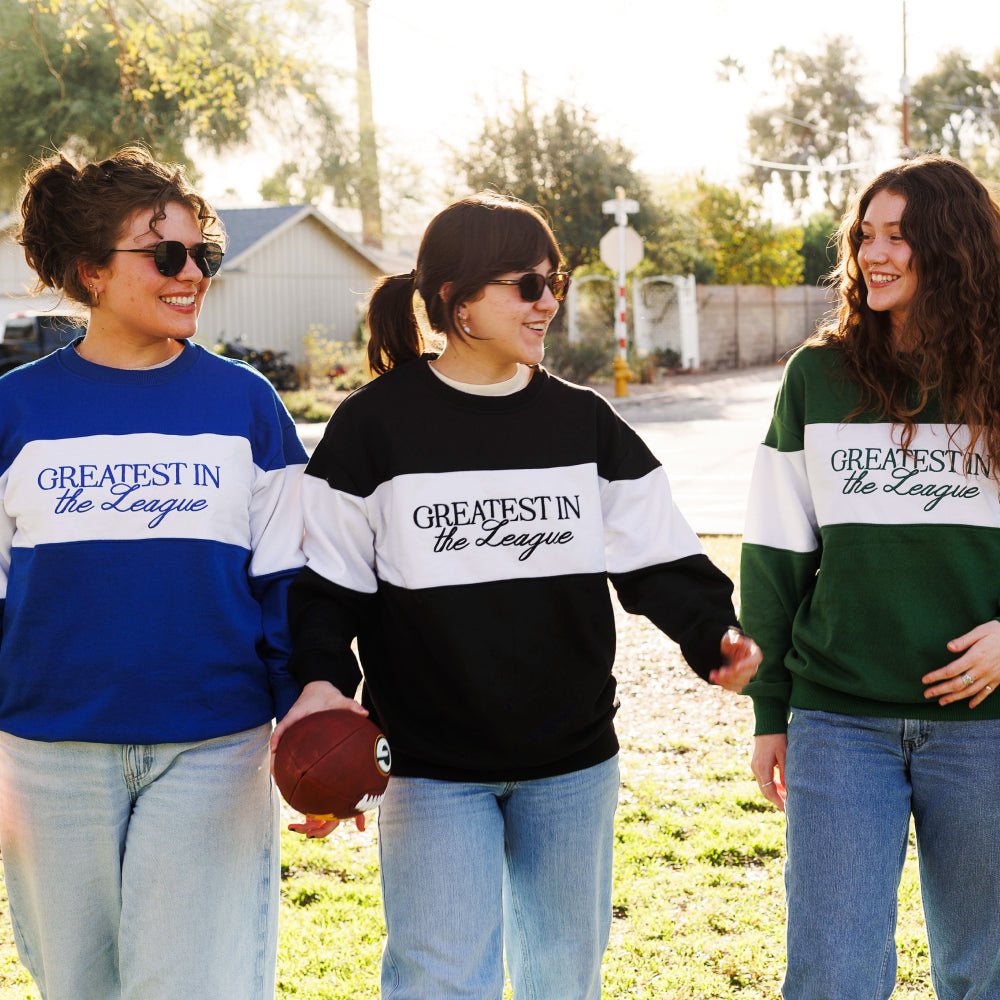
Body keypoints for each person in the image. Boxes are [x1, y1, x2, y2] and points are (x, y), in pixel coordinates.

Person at [272, 191, 761, 1000]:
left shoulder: (584, 423)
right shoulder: (373, 428)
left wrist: (713, 635)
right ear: (456, 303)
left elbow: (658, 556)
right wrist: (323, 686)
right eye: (525, 285)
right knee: (440, 981)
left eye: (553, 280)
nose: (549, 301)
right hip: (430, 765)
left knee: (563, 980)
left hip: (570, 762)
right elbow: (327, 586)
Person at [0, 146, 307, 1000]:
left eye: (201, 255)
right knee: (78, 987)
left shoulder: (245, 403)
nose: (192, 275)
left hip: (213, 743)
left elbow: (291, 576)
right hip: (48, 751)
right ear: (93, 273)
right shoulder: (13, 410)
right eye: (164, 255)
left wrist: (306, 708)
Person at [742, 153, 1000, 1000]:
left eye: (900, 236)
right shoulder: (817, 377)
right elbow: (777, 555)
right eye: (865, 235)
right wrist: (770, 709)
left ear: (955, 250)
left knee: (984, 970)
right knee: (833, 976)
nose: (873, 254)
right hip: (839, 719)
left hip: (986, 727)